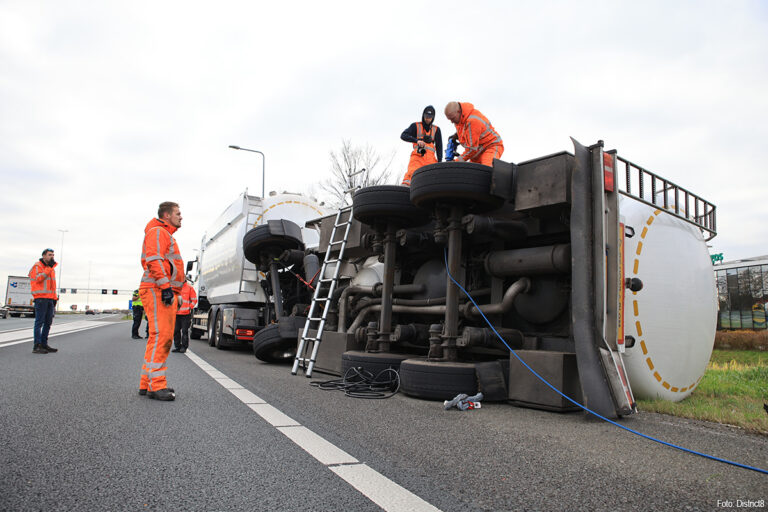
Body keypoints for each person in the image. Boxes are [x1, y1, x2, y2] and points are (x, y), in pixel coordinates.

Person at [138, 201, 185, 401]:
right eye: (178, 213)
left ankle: (147, 383)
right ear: (166, 215)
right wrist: (166, 286)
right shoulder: (159, 232)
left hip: (159, 289)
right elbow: (154, 260)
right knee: (163, 337)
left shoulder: (162, 233)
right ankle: (157, 386)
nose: (181, 217)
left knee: (156, 337)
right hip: (157, 289)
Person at [444, 101, 504, 166]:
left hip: (491, 147)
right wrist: (457, 135)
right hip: (477, 152)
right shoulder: (459, 120)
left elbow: (472, 149)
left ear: (458, 111)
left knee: (487, 169)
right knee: (471, 174)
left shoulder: (472, 121)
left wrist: (456, 162)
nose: (452, 122)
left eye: (453, 118)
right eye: (449, 119)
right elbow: (467, 132)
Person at [400, 105, 443, 186]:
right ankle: (404, 193)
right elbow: (403, 135)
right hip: (417, 158)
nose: (427, 119)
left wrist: (440, 162)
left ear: (433, 117)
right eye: (426, 116)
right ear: (423, 115)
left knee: (432, 182)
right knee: (410, 178)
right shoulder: (415, 126)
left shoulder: (436, 129)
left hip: (431, 161)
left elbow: (439, 147)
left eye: (430, 117)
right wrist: (417, 141)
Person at [28, 248, 59, 354]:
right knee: (39, 322)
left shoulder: (51, 268)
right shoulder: (37, 266)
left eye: (53, 255)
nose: (52, 257)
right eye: (50, 255)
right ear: (44, 256)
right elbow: (39, 279)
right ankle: (37, 346)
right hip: (41, 298)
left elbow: (52, 286)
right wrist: (49, 268)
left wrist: (55, 298)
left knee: (48, 322)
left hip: (50, 299)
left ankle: (44, 344)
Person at [172, 280, 197, 353]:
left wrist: (190, 307)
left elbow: (194, 300)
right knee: (175, 331)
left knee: (184, 331)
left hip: (185, 314)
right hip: (176, 314)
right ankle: (177, 346)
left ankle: (184, 347)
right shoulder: (174, 287)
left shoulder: (189, 288)